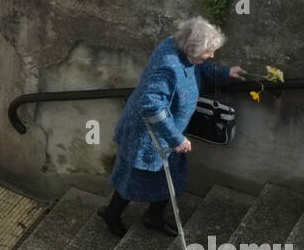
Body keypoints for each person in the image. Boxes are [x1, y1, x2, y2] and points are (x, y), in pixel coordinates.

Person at [99, 17, 245, 237]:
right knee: (131, 178)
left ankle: (153, 217)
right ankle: (112, 214)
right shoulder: (167, 66)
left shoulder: (186, 51)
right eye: (208, 52)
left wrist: (225, 73)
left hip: (169, 132)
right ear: (190, 48)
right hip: (146, 135)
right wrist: (176, 139)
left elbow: (200, 67)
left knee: (171, 177)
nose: (211, 56)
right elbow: (151, 105)